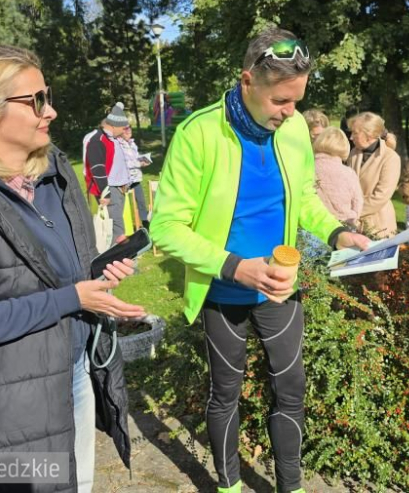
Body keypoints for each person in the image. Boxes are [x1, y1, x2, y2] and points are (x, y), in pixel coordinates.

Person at [149, 27, 369, 493]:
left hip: (280, 287)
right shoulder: (197, 132)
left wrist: (335, 231)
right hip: (223, 291)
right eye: (281, 101)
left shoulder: (291, 131)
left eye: (297, 101)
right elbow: (165, 228)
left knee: (291, 391)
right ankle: (228, 486)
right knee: (225, 394)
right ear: (247, 80)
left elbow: (304, 196)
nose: (292, 114)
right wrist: (234, 266)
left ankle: (291, 486)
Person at [0, 45, 146, 492]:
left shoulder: (49, 177)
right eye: (37, 100)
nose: (52, 111)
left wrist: (95, 279)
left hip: (70, 373)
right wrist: (72, 298)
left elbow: (51, 276)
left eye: (49, 95)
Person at [347, 111, 401, 238]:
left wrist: (353, 212)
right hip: (353, 224)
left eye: (355, 133)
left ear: (369, 135)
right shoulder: (353, 154)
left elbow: (381, 196)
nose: (350, 137)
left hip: (379, 225)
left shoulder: (390, 158)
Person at [84, 102, 132, 240]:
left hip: (117, 188)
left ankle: (118, 256)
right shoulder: (97, 140)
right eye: (123, 128)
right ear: (114, 125)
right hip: (108, 188)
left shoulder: (110, 139)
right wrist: (105, 192)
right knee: (115, 226)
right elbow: (97, 168)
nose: (124, 131)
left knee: (116, 224)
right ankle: (119, 257)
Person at [312, 126, 363, 226]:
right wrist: (350, 216)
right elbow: (357, 203)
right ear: (344, 146)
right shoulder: (349, 173)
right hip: (342, 228)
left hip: (312, 226)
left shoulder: (307, 169)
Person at [118, 124, 151, 228]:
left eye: (130, 128)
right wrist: (138, 163)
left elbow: (135, 158)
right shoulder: (118, 144)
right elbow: (123, 162)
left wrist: (143, 160)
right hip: (124, 180)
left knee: (141, 203)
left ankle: (146, 226)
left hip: (135, 179)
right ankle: (122, 227)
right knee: (123, 205)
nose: (128, 131)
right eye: (125, 129)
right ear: (120, 131)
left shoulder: (132, 144)